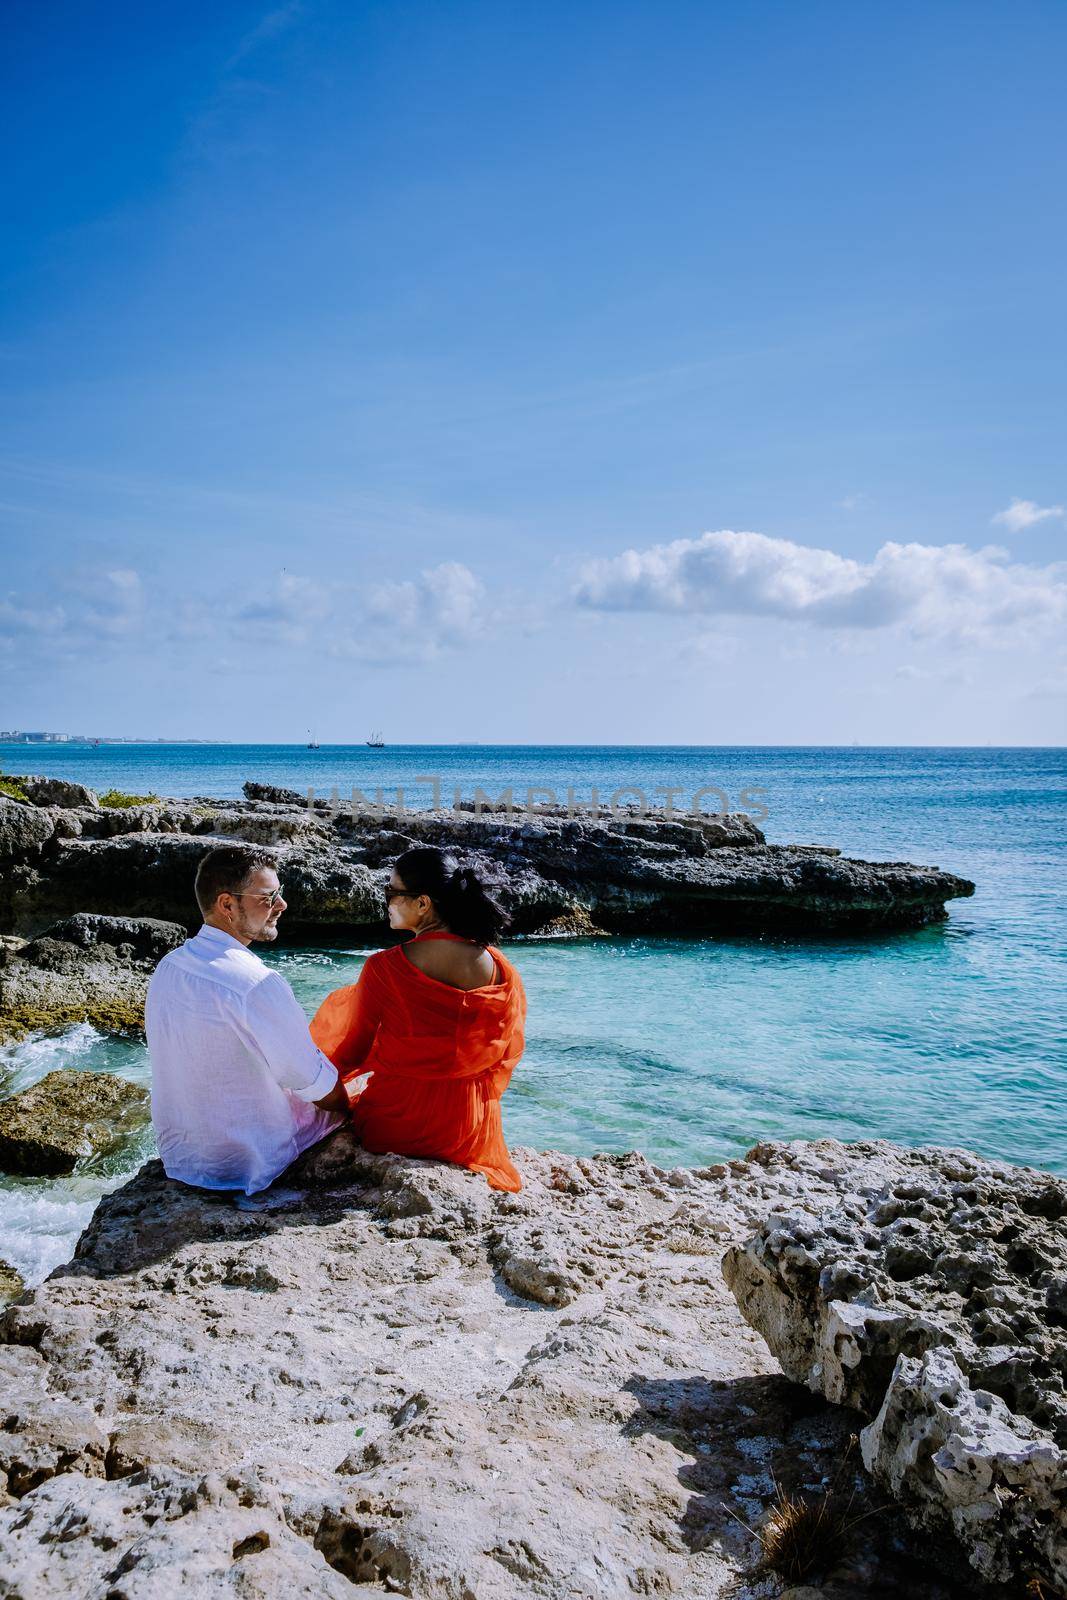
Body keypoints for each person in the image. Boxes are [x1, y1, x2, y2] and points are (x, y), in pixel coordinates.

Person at [310, 847, 526, 1192]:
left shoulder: (384, 967)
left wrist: (314, 1089)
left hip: (397, 1123)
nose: (387, 900)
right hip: (468, 1128)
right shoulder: (501, 967)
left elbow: (351, 1052)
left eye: (392, 892)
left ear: (423, 903)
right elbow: (507, 1054)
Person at [146, 845, 349, 1195]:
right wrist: (349, 1104)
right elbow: (309, 1080)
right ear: (227, 905)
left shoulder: (170, 966)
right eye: (269, 897)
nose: (282, 905)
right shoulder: (255, 983)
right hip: (252, 1161)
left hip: (186, 1159)